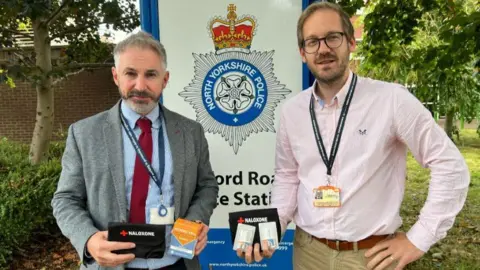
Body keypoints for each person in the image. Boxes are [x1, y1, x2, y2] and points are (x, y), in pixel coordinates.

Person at [237, 2, 470, 270]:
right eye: (312, 41)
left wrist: (419, 238)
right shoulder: (292, 112)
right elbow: (288, 176)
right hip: (308, 252)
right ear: (303, 53)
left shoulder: (391, 100)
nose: (323, 49)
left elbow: (450, 166)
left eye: (332, 37)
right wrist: (272, 228)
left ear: (350, 42)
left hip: (371, 256)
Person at [52, 31, 219, 270]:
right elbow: (65, 199)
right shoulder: (84, 134)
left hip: (177, 262)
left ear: (165, 79)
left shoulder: (191, 132)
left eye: (151, 75)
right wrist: (87, 240)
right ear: (115, 76)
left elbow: (207, 186)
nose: (140, 86)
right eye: (131, 73)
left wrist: (194, 221)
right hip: (111, 265)